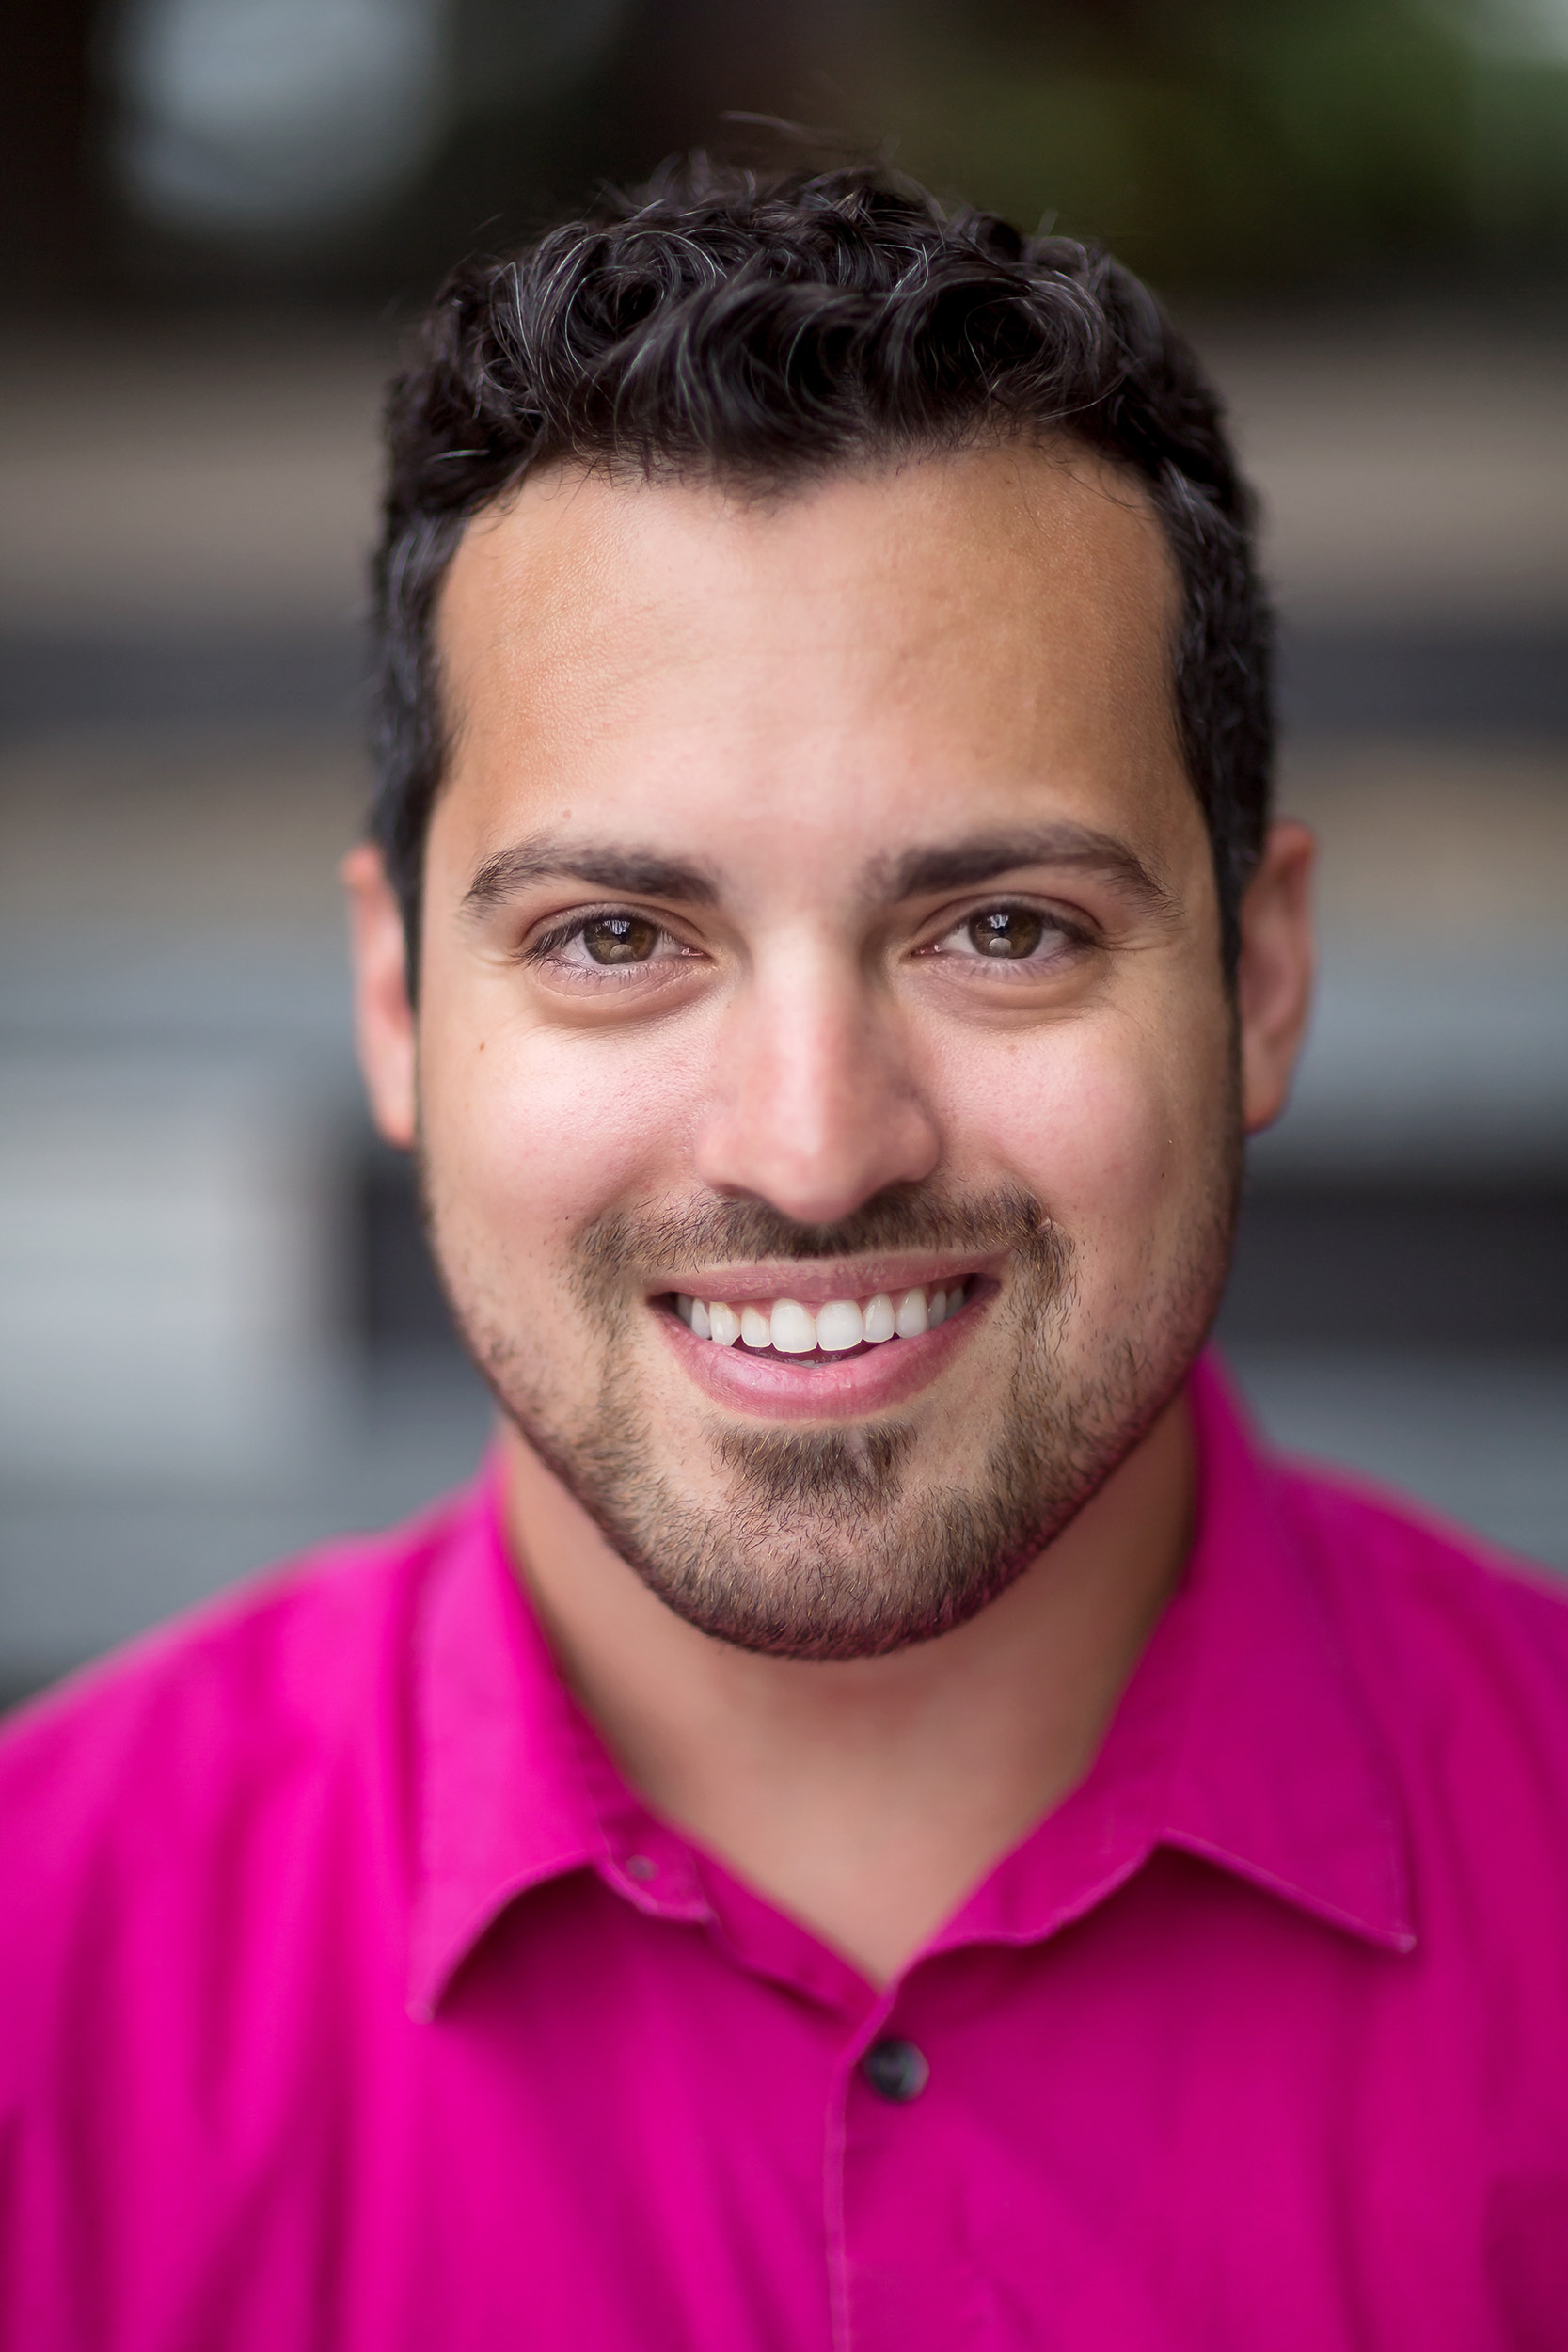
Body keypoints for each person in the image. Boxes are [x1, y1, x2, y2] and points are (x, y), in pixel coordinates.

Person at [2, 161, 1566, 2352]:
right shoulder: (36, 1974)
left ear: (1264, 976)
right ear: (393, 1004)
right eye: (619, 937)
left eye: (1004, 928)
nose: (815, 1149)